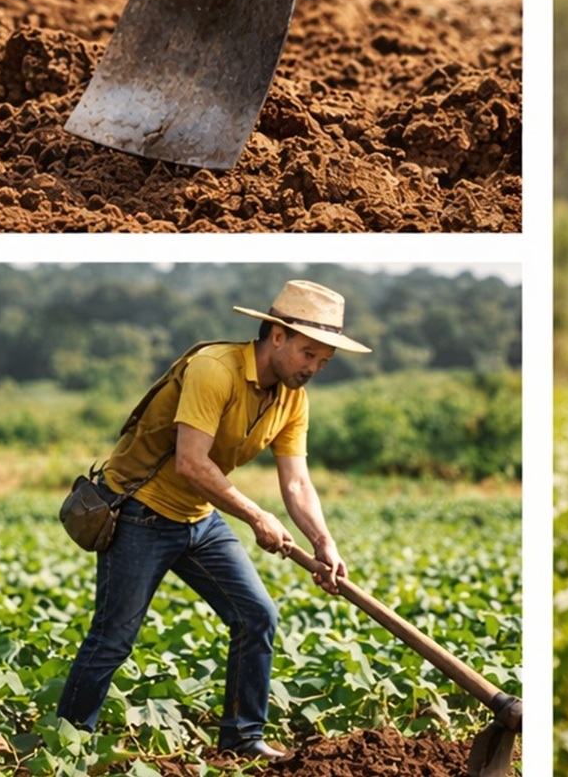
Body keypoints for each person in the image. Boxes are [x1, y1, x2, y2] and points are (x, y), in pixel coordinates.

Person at [56, 279, 372, 761]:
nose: (313, 368)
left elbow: (297, 483)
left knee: (256, 614)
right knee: (114, 637)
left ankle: (243, 739)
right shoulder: (214, 369)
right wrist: (256, 516)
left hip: (199, 517)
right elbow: (191, 462)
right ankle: (66, 743)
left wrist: (324, 540)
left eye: (323, 362)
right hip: (141, 512)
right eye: (309, 354)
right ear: (278, 335)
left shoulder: (292, 399)